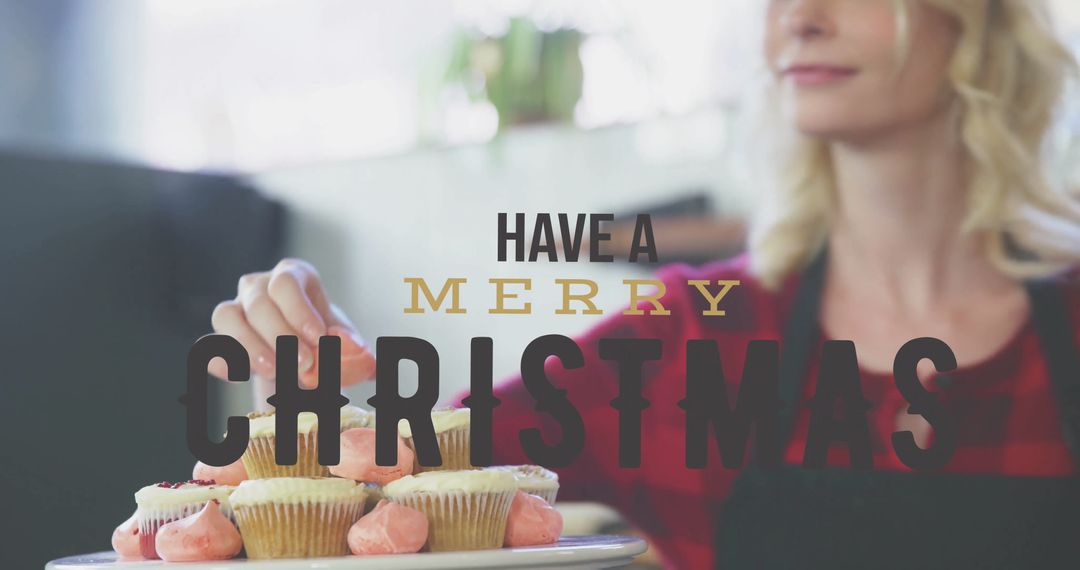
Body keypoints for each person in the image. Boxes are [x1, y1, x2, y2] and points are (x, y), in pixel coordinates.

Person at [207, 0, 1080, 567]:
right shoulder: (693, 336)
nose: (798, 20)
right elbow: (413, 469)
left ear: (983, 21)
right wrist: (317, 367)